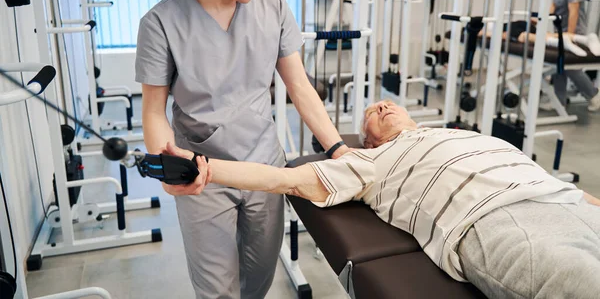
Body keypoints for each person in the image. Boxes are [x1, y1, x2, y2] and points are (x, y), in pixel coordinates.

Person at [165, 100, 600, 299]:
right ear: (369, 141)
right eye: (372, 113)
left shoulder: (463, 134)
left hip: (560, 199)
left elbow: (540, 175)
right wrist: (205, 167)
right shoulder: (370, 162)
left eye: (387, 104)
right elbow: (286, 180)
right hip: (493, 221)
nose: (382, 106)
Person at [135, 0, 352, 298]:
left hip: (264, 168)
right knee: (218, 290)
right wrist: (167, 166)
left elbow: (300, 87)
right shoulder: (160, 23)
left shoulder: (273, 7)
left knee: (258, 278)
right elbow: (153, 110)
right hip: (203, 173)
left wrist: (337, 149)